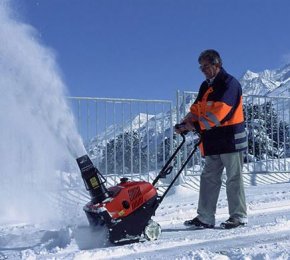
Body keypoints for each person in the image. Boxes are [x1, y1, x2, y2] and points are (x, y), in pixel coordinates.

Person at [175, 49, 247, 229]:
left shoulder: (229, 83)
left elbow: (220, 113)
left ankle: (238, 216)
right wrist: (185, 122)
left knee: (233, 178)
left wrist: (196, 126)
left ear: (217, 64)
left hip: (230, 139)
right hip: (212, 140)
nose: (203, 70)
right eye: (201, 67)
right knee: (209, 178)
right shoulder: (205, 86)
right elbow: (197, 109)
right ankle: (205, 217)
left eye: (206, 66)